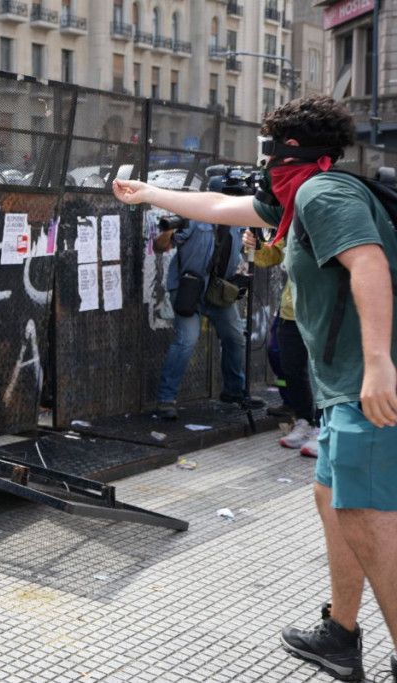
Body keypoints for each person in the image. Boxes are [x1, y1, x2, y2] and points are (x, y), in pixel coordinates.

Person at [113, 94, 397, 682]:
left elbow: (369, 264)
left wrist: (377, 365)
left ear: (288, 147)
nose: (262, 161)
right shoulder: (300, 195)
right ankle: (341, 634)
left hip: (365, 386)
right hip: (343, 386)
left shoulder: (323, 194)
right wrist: (147, 193)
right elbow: (220, 205)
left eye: (267, 148)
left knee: (367, 515)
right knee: (333, 501)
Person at [150, 203, 264, 420]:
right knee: (186, 341)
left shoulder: (237, 220)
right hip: (189, 290)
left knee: (235, 337)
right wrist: (168, 231)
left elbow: (249, 248)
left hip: (218, 291)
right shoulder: (193, 216)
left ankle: (233, 392)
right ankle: (166, 399)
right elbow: (159, 247)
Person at [243, 232, 320, 456]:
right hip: (291, 310)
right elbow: (270, 256)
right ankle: (304, 420)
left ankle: (323, 428)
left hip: (324, 311)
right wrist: (257, 245)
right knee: (290, 365)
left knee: (322, 373)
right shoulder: (289, 223)